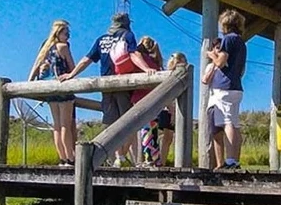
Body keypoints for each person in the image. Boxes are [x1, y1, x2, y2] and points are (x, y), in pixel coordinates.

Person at [60, 12, 153, 167]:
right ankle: (120, 156)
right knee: (129, 121)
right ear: (126, 23)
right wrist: (147, 69)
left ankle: (110, 156)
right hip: (122, 83)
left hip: (106, 85)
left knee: (110, 121)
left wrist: (72, 74)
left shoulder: (102, 39)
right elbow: (133, 54)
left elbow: (87, 59)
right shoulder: (127, 35)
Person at [28, 19, 77, 166]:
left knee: (56, 125)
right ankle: (70, 158)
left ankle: (62, 158)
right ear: (59, 33)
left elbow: (36, 65)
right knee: (65, 125)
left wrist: (30, 82)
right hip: (62, 86)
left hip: (49, 89)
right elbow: (72, 67)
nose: (68, 36)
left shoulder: (46, 48)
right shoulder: (63, 47)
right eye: (66, 33)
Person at [206, 9, 247, 170]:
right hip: (236, 86)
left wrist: (211, 55)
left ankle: (229, 160)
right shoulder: (241, 42)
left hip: (224, 87)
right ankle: (235, 159)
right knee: (234, 123)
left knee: (227, 122)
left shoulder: (228, 40)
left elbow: (220, 62)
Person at [134, 36, 164, 166]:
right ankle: (155, 156)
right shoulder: (156, 62)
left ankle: (148, 157)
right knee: (153, 130)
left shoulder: (140, 59)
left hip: (140, 98)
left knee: (145, 129)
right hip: (154, 99)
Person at [156, 51, 188, 167]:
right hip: (167, 109)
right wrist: (172, 111)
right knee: (166, 135)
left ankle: (162, 161)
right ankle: (160, 160)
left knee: (169, 137)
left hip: (174, 108)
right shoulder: (169, 75)